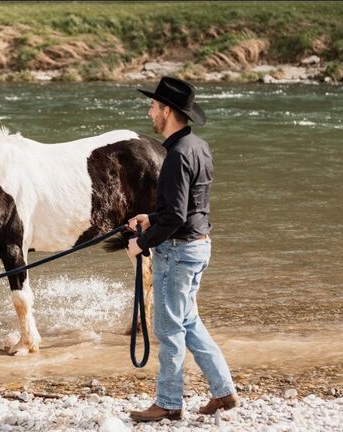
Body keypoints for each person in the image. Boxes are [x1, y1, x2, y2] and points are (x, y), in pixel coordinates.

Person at [127, 76, 239, 422]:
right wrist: (151, 216)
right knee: (188, 321)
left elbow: (176, 216)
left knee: (169, 329)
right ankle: (224, 391)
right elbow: (189, 206)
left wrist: (141, 244)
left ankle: (169, 403)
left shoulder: (175, 155)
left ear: (167, 110)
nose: (150, 112)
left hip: (177, 252)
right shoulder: (199, 147)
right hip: (198, 246)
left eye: (153, 106)